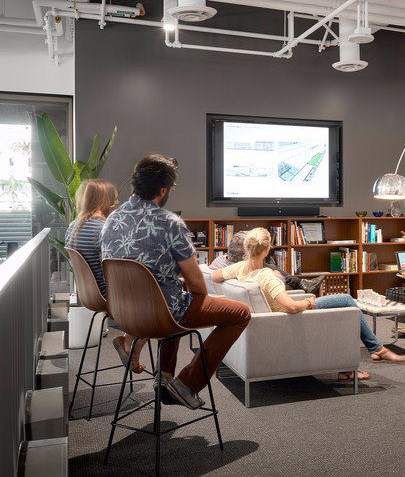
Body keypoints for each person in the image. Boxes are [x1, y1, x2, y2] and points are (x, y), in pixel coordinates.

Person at [102, 154, 251, 410]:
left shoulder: (111, 220)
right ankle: (187, 384)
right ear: (163, 190)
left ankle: (164, 378)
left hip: (124, 315)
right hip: (161, 315)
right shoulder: (170, 223)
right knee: (239, 313)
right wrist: (197, 296)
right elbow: (196, 282)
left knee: (174, 297)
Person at [214, 228, 405, 380]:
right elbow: (291, 307)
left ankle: (367, 355)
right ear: (266, 250)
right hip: (292, 316)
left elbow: (215, 276)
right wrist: (309, 302)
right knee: (347, 301)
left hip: (273, 317)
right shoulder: (266, 276)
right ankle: (377, 349)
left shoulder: (240, 268)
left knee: (344, 305)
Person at [66, 179, 148, 373]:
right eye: (114, 198)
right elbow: (113, 267)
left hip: (89, 295)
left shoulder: (73, 227)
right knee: (158, 304)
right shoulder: (105, 228)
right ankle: (131, 348)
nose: (117, 203)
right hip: (108, 295)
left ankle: (128, 343)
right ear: (104, 200)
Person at [209, 230, 324, 294]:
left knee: (270, 267)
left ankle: (302, 283)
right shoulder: (251, 270)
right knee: (272, 269)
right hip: (275, 298)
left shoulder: (219, 260)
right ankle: (302, 284)